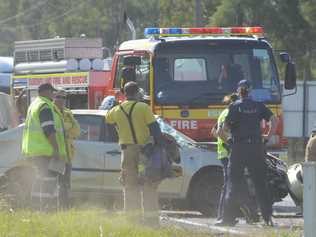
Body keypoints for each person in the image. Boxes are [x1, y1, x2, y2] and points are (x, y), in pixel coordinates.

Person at [216, 79, 277, 226]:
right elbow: (274, 119)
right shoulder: (259, 106)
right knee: (260, 184)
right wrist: (267, 137)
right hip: (256, 148)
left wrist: (230, 142)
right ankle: (267, 218)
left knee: (233, 183)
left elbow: (223, 129)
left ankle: (228, 219)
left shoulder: (235, 107)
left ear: (238, 91)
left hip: (239, 149)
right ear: (251, 91)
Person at [105, 81, 163, 227]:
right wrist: (160, 145)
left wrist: (118, 100)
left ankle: (132, 221)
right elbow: (154, 128)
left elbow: (108, 120)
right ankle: (151, 222)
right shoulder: (143, 107)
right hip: (145, 151)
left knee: (130, 186)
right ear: (137, 93)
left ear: (124, 94)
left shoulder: (117, 110)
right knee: (148, 184)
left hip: (127, 152)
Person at [22, 83, 67, 193]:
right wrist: (56, 149)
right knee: (48, 181)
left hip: (36, 151)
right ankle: (46, 207)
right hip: (45, 152)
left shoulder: (34, 105)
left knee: (40, 180)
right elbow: (48, 130)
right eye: (52, 92)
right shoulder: (45, 106)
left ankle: (38, 207)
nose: (53, 94)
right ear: (46, 92)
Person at [211, 93, 238, 221]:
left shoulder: (223, 113)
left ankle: (224, 215)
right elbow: (220, 132)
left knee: (228, 184)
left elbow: (213, 132)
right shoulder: (229, 114)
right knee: (228, 184)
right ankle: (223, 215)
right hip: (228, 153)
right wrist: (230, 143)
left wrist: (222, 141)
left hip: (223, 153)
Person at [54, 89, 80, 208]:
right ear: (54, 97)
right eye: (59, 97)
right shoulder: (51, 111)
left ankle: (64, 207)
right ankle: (54, 207)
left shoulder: (67, 112)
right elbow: (57, 129)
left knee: (65, 184)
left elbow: (77, 130)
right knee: (55, 183)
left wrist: (67, 131)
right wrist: (67, 129)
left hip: (67, 154)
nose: (61, 100)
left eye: (64, 98)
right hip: (55, 153)